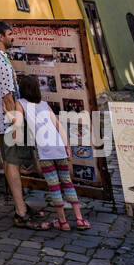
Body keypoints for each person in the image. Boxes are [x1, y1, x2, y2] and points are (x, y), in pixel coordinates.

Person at [0, 20, 48, 229]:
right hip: (10, 120)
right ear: (0, 37)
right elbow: (7, 96)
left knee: (11, 162)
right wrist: (17, 125)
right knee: (12, 164)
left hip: (0, 120)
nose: (12, 37)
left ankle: (22, 206)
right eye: (10, 34)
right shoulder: (0, 62)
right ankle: (20, 212)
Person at [10, 74, 90, 231]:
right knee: (67, 182)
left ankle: (62, 221)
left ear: (22, 90)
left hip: (44, 150)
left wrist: (8, 113)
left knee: (54, 185)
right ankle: (79, 218)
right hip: (58, 146)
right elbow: (57, 125)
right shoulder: (45, 104)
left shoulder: (20, 103)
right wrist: (67, 146)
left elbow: (18, 123)